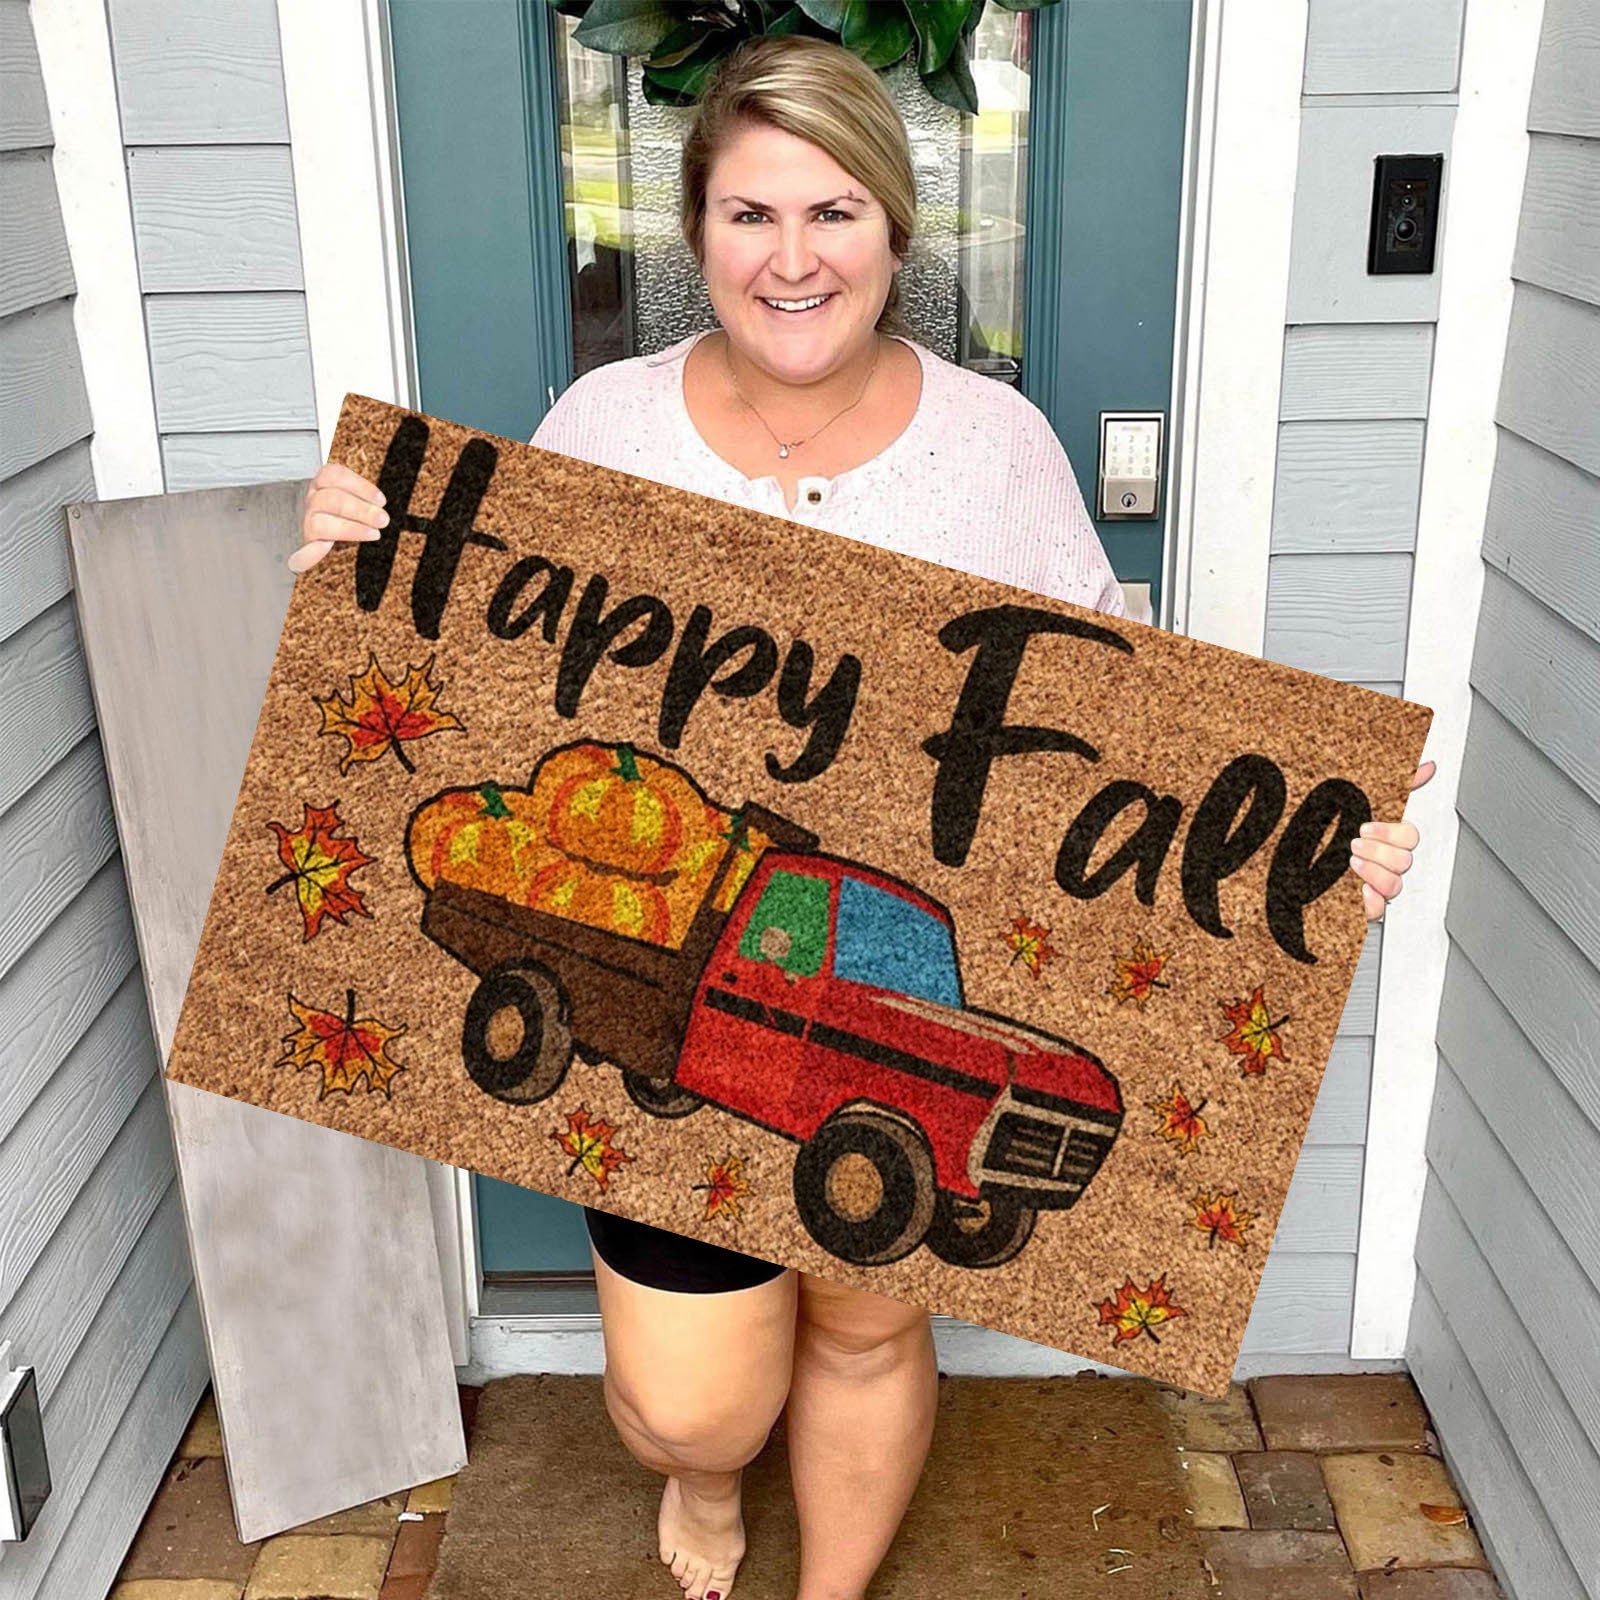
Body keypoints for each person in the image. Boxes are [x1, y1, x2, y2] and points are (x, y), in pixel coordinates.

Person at [292, 35, 1433, 1600]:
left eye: (835, 213)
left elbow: (1124, 747)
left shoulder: (996, 450)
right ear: (694, 237)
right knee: (697, 1402)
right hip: (675, 964)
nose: (794, 257)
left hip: (851, 1012)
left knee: (876, 1309)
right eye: (753, 215)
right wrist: (356, 568)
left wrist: (1306, 865)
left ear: (897, 233)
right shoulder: (603, 429)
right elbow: (491, 687)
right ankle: (705, 1486)